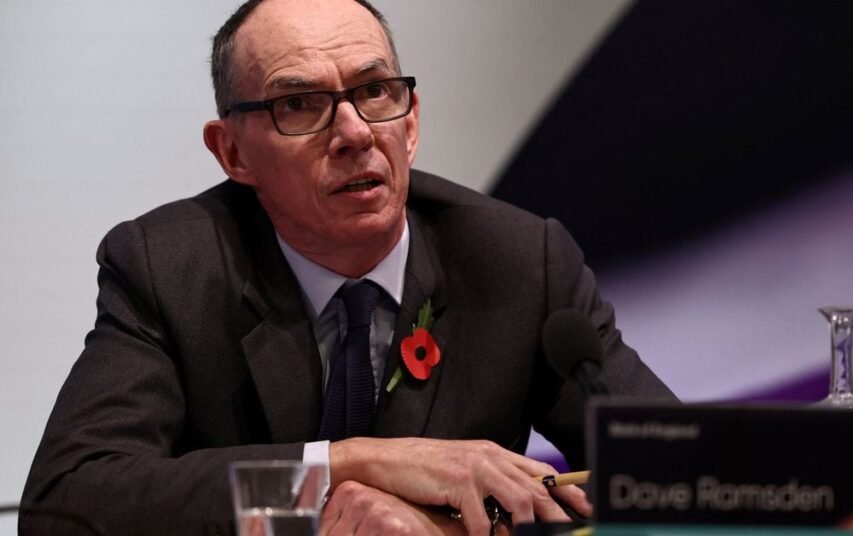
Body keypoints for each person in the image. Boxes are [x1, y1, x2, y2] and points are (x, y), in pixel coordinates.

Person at [22, 0, 673, 534]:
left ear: (410, 123)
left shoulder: (519, 262)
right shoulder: (169, 268)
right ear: (232, 152)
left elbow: (684, 478)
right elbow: (68, 504)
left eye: (374, 91)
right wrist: (342, 471)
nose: (356, 131)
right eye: (299, 104)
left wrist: (447, 531)